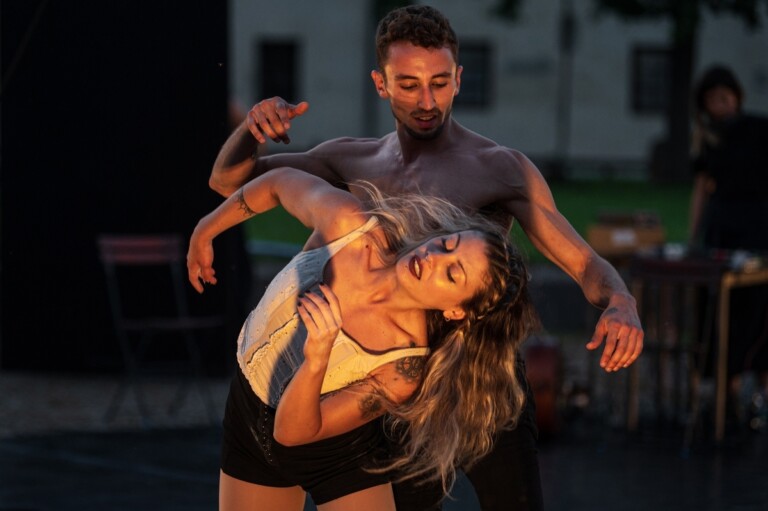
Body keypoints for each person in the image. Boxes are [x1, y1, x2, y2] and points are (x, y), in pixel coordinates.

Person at [208, 5, 644, 509]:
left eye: (439, 82)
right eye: (409, 84)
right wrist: (250, 129)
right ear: (381, 84)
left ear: (459, 79)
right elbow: (229, 183)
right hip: (398, 383)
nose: (427, 100)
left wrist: (620, 301)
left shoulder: (497, 168)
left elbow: (583, 262)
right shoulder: (354, 158)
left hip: (480, 378)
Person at [187, 167, 538, 510]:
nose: (432, 258)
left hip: (333, 453)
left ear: (455, 312)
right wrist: (208, 228)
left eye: (452, 273)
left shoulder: (402, 367)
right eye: (447, 244)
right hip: (246, 414)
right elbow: (279, 182)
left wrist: (317, 361)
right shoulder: (349, 226)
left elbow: (292, 434)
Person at [689, 65, 768, 424]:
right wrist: (694, 237)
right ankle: (722, 388)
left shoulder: (757, 130)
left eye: (724, 97)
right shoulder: (708, 136)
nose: (720, 106)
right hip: (722, 230)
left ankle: (751, 386)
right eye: (712, 100)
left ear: (735, 96)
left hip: (756, 226)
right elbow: (702, 188)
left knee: (756, 309)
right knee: (718, 309)